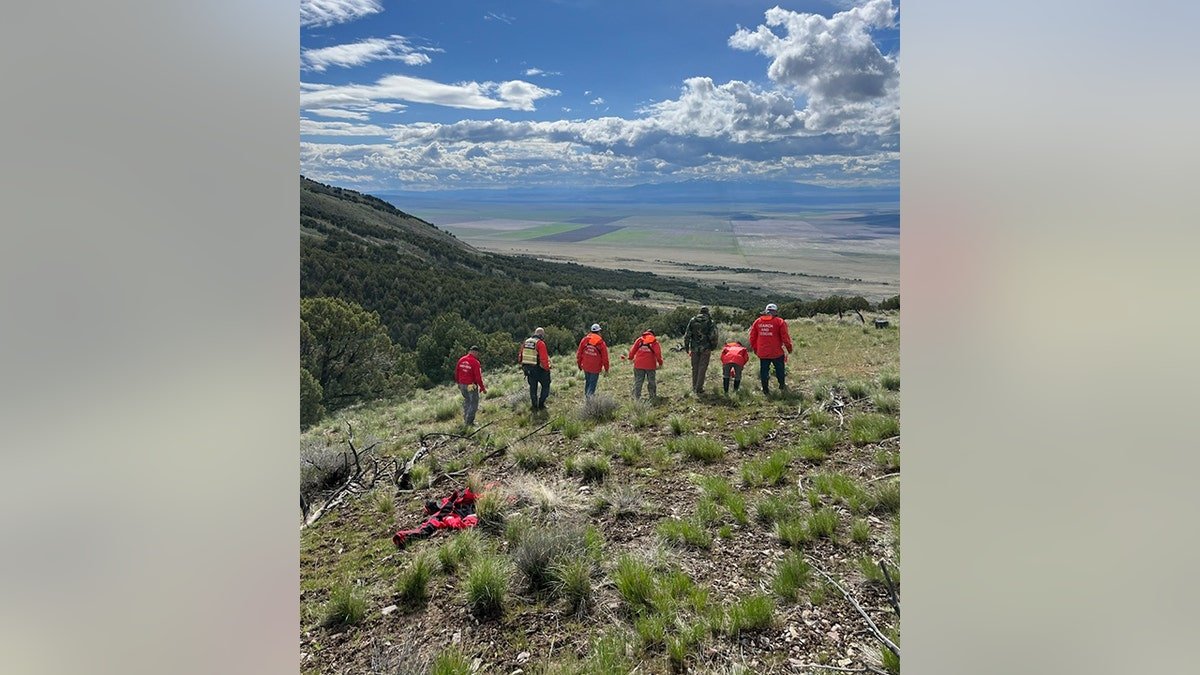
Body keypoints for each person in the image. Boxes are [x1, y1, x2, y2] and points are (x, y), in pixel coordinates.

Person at [749, 303, 793, 394]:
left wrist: (756, 349)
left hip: (763, 352)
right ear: (776, 312)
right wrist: (789, 348)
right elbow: (785, 337)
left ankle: (765, 389)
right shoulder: (779, 322)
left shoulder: (758, 321)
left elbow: (752, 337)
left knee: (764, 371)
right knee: (780, 369)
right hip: (776, 352)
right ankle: (782, 385)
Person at [683, 305, 720, 394]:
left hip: (694, 348)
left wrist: (686, 346)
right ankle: (699, 388)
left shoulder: (693, 320)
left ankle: (694, 386)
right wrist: (713, 346)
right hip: (706, 348)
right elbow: (714, 336)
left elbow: (687, 335)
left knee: (694, 368)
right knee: (702, 368)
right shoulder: (710, 322)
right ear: (707, 312)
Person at [518, 327, 552, 411]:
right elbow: (544, 360)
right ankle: (541, 404)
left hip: (528, 370)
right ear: (541, 335)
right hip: (539, 370)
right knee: (546, 385)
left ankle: (534, 406)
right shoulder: (540, 343)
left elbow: (520, 357)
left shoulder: (526, 342)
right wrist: (547, 369)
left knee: (533, 388)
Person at [625, 329, 664, 401]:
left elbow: (632, 351)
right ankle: (652, 396)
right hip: (650, 365)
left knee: (638, 381)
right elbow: (658, 354)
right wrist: (660, 363)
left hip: (638, 365)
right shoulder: (655, 342)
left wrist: (630, 358)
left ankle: (636, 397)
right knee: (651, 381)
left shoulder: (640, 340)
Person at [576, 323, 610, 398]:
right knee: (592, 385)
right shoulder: (601, 343)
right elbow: (605, 358)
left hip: (585, 366)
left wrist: (579, 364)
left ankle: (587, 398)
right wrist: (606, 369)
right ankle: (590, 403)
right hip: (595, 368)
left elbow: (579, 353)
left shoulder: (584, 340)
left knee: (588, 382)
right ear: (599, 332)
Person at [454, 346, 487, 426]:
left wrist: (458, 383)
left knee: (467, 401)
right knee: (474, 403)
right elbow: (478, 377)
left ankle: (466, 419)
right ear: (475, 352)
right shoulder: (475, 362)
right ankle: (469, 422)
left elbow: (456, 372)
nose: (478, 355)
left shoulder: (461, 359)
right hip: (471, 385)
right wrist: (482, 388)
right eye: (478, 353)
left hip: (462, 384)